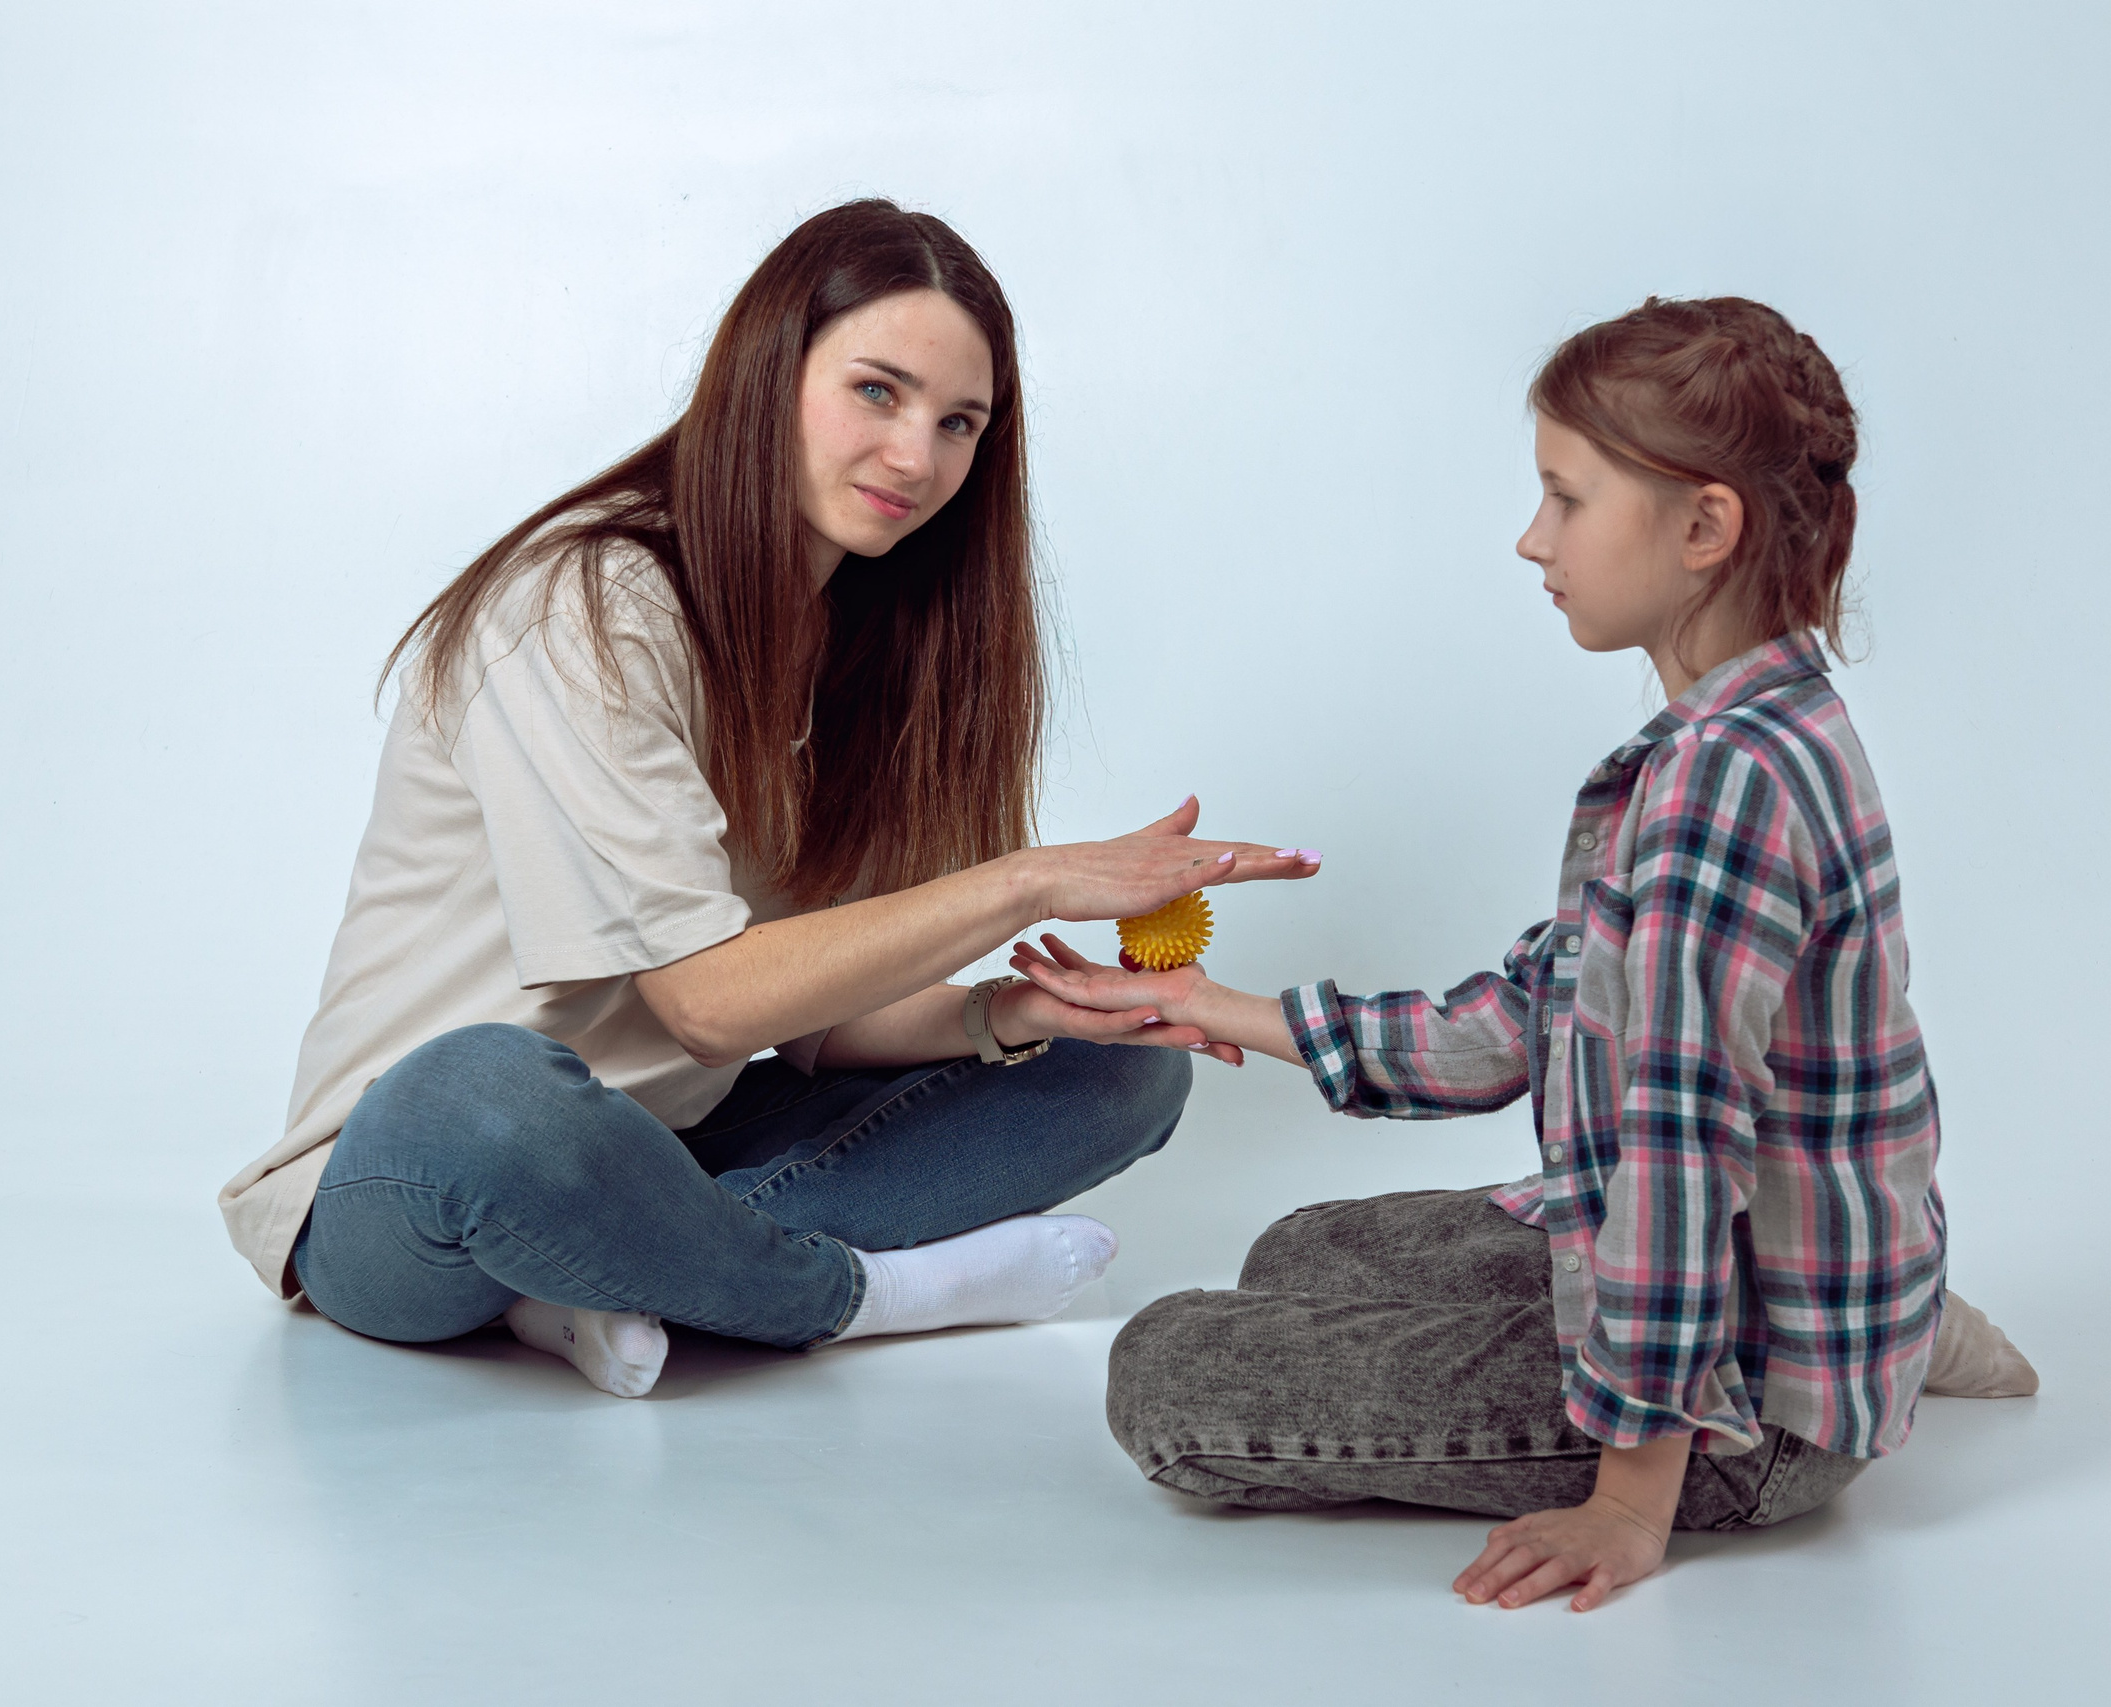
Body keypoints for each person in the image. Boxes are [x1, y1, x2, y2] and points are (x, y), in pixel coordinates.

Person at [1008, 297, 2037, 1611]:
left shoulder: (1715, 794)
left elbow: (1673, 1153)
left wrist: (1629, 1500)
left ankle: (1800, 1386)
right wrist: (1214, 1006)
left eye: (1565, 497)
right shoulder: (1767, 723)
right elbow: (1526, 1013)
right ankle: (1898, 1320)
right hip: (1777, 1282)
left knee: (1164, 1370)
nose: (1531, 537)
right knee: (1302, 1249)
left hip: (1744, 1418)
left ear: (1704, 528)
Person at [215, 200, 1319, 1398]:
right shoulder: (584, 605)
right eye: (878, 392)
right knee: (484, 1090)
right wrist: (1032, 881)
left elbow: (811, 1022)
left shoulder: (866, 644)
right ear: (766, 375)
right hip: (415, 1183)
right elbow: (707, 1005)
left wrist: (1011, 1015)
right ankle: (856, 1296)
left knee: (1122, 1073)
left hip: (672, 1144)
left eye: (959, 424)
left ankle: (604, 1276)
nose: (917, 458)